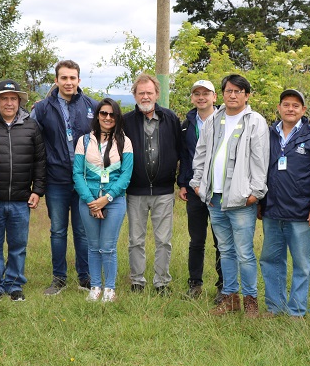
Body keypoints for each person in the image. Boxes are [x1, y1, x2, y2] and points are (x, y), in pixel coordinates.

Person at [190, 74, 270, 317]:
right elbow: (201, 152)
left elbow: (260, 159)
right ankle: (230, 297)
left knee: (245, 252)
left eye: (238, 91)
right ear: (222, 94)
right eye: (229, 90)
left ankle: (251, 301)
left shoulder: (255, 121)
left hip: (241, 199)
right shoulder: (214, 119)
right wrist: (197, 183)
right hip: (214, 198)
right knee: (225, 250)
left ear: (247, 95)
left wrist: (256, 193)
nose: (233, 95)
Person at [259, 89, 310, 319]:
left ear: (303, 110)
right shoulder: (268, 134)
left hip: (302, 214)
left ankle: (296, 311)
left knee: (301, 265)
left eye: (295, 105)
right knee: (271, 260)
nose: (290, 109)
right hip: (272, 211)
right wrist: (261, 202)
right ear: (279, 108)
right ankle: (274, 306)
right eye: (286, 104)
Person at [0, 80, 46, 301]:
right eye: (4, 98)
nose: (8, 103)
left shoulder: (31, 126)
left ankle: (15, 284)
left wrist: (38, 190)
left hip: (20, 199)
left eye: (13, 98)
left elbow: (40, 160)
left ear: (19, 101)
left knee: (18, 245)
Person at [30, 60, 96, 295]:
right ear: (56, 80)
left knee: (82, 231)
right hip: (56, 179)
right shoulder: (42, 108)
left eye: (73, 78)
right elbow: (30, 138)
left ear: (79, 80)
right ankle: (59, 278)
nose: (68, 82)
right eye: (64, 78)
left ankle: (85, 277)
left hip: (84, 181)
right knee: (58, 230)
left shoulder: (92, 106)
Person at [123, 73, 181, 295]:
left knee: (163, 240)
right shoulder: (126, 121)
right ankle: (137, 280)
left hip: (164, 191)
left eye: (149, 92)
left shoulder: (171, 119)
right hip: (135, 191)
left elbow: (180, 151)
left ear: (157, 93)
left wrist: (180, 181)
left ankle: (161, 283)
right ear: (135, 95)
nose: (145, 96)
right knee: (135, 240)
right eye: (141, 93)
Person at [73, 99, 134, 302]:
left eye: (112, 114)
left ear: (117, 117)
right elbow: (77, 174)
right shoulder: (84, 141)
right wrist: (92, 201)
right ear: (97, 115)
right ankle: (95, 287)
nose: (107, 118)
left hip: (114, 200)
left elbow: (126, 176)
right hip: (88, 200)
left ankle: (110, 288)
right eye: (103, 113)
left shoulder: (125, 141)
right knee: (92, 245)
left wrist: (105, 199)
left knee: (107, 246)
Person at [177, 79, 223, 301]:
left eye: (206, 93)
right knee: (196, 240)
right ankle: (194, 284)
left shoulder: (224, 121)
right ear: (193, 98)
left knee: (220, 239)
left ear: (215, 97)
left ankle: (223, 285)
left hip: (218, 190)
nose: (201, 97)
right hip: (194, 189)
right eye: (197, 93)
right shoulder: (186, 124)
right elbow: (185, 157)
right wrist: (184, 184)